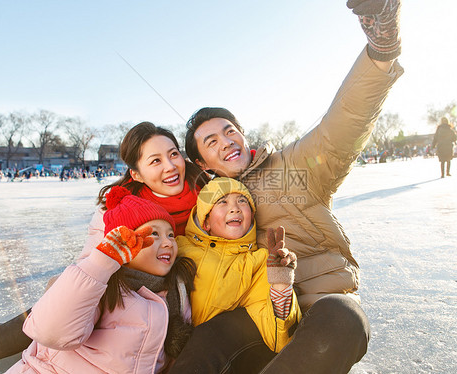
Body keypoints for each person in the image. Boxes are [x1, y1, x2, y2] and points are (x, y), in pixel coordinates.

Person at [172, 1, 404, 372]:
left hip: (317, 307)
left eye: (229, 131)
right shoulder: (206, 206)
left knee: (346, 319)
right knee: (208, 339)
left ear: (243, 135)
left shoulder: (292, 169)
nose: (226, 141)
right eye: (211, 141)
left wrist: (381, 49)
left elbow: (340, 127)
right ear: (202, 163)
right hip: (256, 313)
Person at [0, 122, 208, 362]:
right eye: (155, 161)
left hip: (178, 300)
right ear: (137, 174)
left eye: (173, 154)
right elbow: (93, 265)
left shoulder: (207, 193)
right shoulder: (118, 209)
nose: (170, 166)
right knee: (53, 313)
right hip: (124, 302)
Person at [6, 186, 196, 373]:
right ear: (124, 241)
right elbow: (51, 333)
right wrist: (100, 264)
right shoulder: (102, 286)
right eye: (154, 233)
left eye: (170, 235)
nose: (167, 242)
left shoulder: (175, 292)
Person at [177, 177, 300, 354]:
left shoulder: (259, 262)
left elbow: (278, 339)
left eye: (242, 201)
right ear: (206, 221)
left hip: (214, 357)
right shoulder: (178, 247)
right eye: (222, 202)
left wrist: (281, 283)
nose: (235, 208)